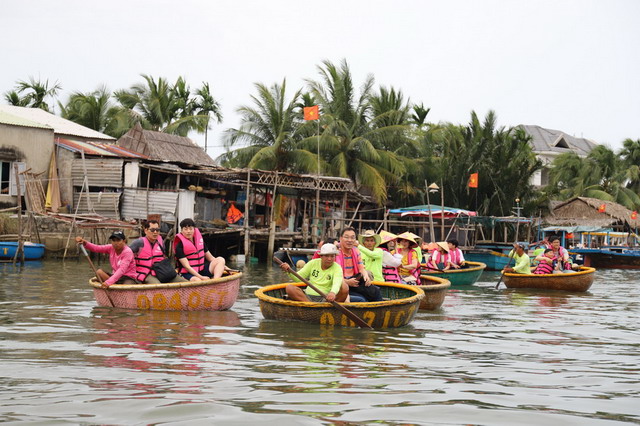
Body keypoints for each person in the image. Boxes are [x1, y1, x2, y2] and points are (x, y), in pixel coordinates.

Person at [279, 243, 348, 302]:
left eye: (332, 256)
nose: (329, 259)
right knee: (289, 288)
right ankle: (310, 305)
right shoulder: (313, 263)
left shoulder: (337, 267)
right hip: (308, 297)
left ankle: (324, 307)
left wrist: (333, 293)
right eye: (326, 256)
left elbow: (337, 282)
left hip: (326, 299)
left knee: (345, 287)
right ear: (321, 256)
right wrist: (289, 271)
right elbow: (298, 278)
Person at [129, 220, 187, 284]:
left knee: (185, 282)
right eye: (152, 230)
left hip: (161, 270)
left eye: (157, 230)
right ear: (145, 231)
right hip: (146, 273)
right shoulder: (138, 243)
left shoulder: (161, 241)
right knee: (157, 286)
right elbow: (126, 255)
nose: (155, 232)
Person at [336, 227, 382, 302]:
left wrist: (366, 276)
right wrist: (346, 282)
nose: (350, 240)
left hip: (355, 281)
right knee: (362, 299)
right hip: (341, 284)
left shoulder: (357, 251)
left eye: (352, 238)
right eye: (346, 237)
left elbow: (361, 268)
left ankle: (380, 311)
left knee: (376, 292)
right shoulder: (336, 253)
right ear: (341, 238)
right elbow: (334, 275)